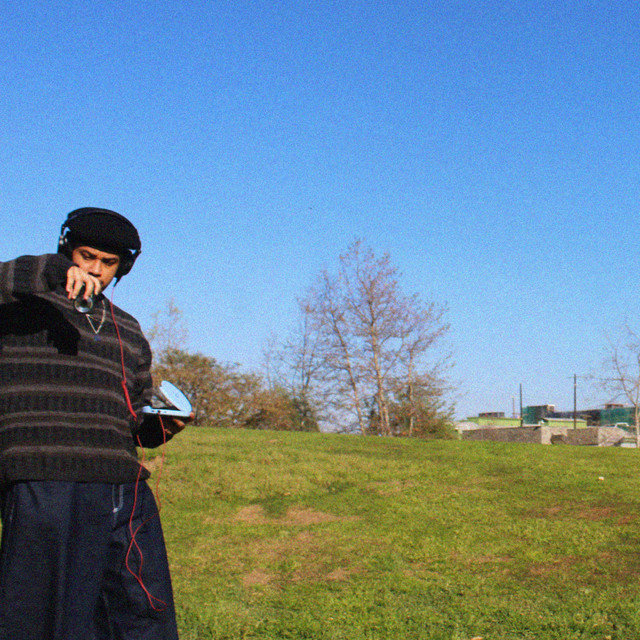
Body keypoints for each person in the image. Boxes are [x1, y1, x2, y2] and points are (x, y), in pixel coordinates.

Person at [0, 207, 188, 639]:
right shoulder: (20, 305)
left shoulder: (129, 330)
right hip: (44, 477)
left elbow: (134, 417)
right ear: (66, 250)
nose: (96, 269)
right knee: (40, 615)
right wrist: (52, 271)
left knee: (141, 612)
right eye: (86, 256)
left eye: (108, 262)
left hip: (125, 489)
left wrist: (162, 426)